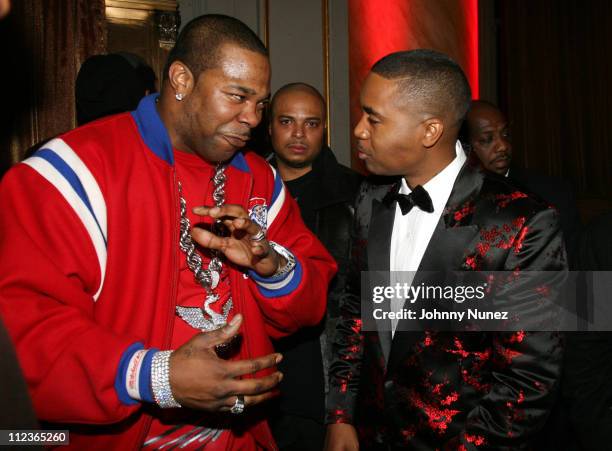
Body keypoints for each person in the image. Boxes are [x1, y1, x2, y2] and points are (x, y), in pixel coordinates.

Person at [0, 14, 336, 450]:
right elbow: (23, 334)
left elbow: (311, 305)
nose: (252, 118)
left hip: (241, 434)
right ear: (181, 79)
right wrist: (156, 376)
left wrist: (273, 267)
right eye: (237, 97)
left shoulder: (258, 179)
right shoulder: (72, 173)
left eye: (260, 104)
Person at [325, 50, 566, 449]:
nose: (358, 130)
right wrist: (340, 414)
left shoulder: (524, 222)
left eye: (374, 117)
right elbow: (355, 311)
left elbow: (529, 379)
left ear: (429, 131)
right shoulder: (371, 196)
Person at [266, 83, 362, 450]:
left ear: (325, 129)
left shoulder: (355, 194)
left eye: (312, 124)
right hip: (256, 377)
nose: (298, 134)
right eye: (287, 121)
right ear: (269, 127)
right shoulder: (242, 186)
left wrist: (344, 409)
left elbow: (364, 303)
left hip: (321, 379)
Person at [464, 100, 581, 265]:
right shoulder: (452, 201)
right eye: (487, 139)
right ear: (464, 146)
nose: (503, 146)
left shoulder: (555, 193)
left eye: (505, 135)